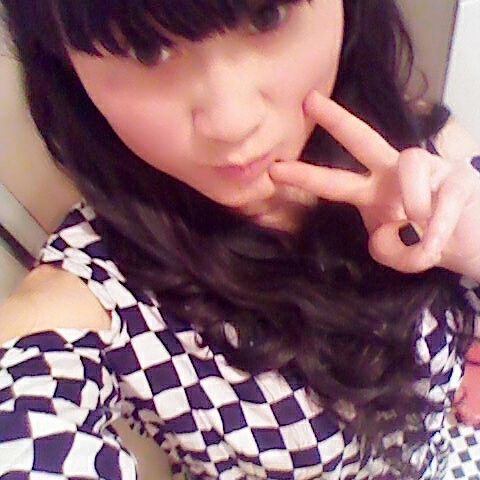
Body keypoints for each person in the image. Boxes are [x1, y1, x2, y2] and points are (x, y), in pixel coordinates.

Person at [1, 0, 480, 478]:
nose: (232, 122)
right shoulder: (97, 291)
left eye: (266, 15)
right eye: (147, 50)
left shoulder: (417, 148)